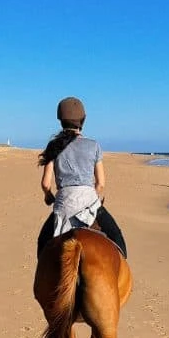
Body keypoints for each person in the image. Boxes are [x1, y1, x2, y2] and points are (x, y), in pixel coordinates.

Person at [36, 97, 127, 258]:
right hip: (89, 202)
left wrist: (48, 196)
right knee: (117, 237)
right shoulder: (94, 145)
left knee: (43, 243)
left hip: (65, 203)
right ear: (83, 120)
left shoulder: (53, 146)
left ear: (61, 121)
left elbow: (45, 183)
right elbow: (100, 184)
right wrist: (92, 201)